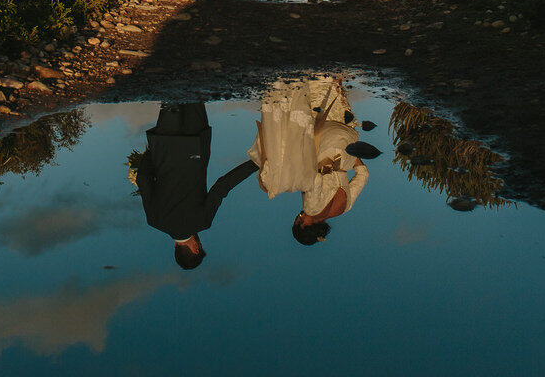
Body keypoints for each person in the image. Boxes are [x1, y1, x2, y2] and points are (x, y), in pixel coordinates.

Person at [246, 77, 370, 246]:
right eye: (298, 220)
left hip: (347, 138)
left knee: (333, 92)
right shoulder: (312, 209)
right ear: (304, 225)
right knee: (309, 102)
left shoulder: (344, 208)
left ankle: (335, 78)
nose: (299, 215)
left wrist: (348, 150)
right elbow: (315, 180)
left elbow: (363, 174)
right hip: (325, 139)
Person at [135, 101, 258, 269]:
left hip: (195, 145)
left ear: (195, 249)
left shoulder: (203, 222)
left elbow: (222, 187)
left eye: (199, 246)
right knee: (171, 93)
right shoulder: (154, 220)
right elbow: (142, 178)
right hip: (165, 145)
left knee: (194, 90)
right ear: (175, 247)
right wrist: (152, 153)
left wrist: (256, 164)